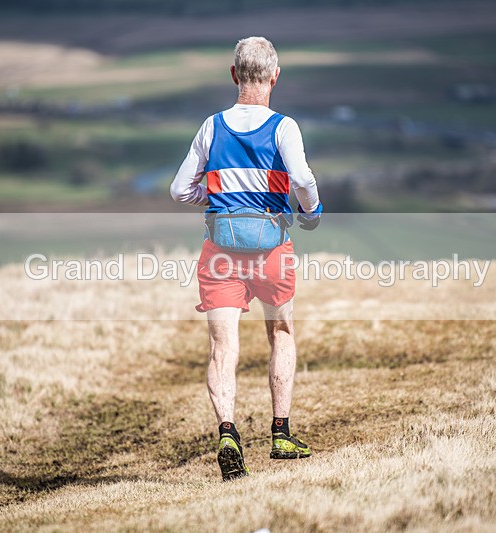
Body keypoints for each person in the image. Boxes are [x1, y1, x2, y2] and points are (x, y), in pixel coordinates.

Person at [170, 36, 323, 481]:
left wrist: (216, 199)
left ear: (234, 75)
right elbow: (302, 177)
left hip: (220, 251)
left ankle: (228, 433)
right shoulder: (284, 127)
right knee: (281, 332)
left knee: (223, 348)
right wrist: (311, 211)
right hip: (271, 249)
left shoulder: (211, 127)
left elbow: (180, 190)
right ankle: (281, 434)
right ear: (275, 76)